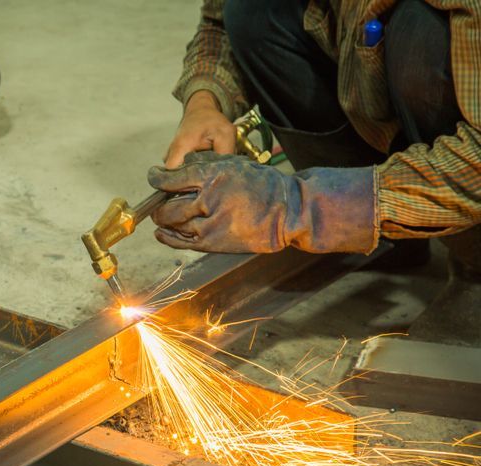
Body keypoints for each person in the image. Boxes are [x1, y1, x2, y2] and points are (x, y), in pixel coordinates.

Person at [148, 0, 480, 341]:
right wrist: (204, 100)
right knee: (252, 12)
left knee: (421, 36)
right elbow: (219, 22)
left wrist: (294, 206)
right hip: (371, 86)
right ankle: (376, 234)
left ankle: (475, 260)